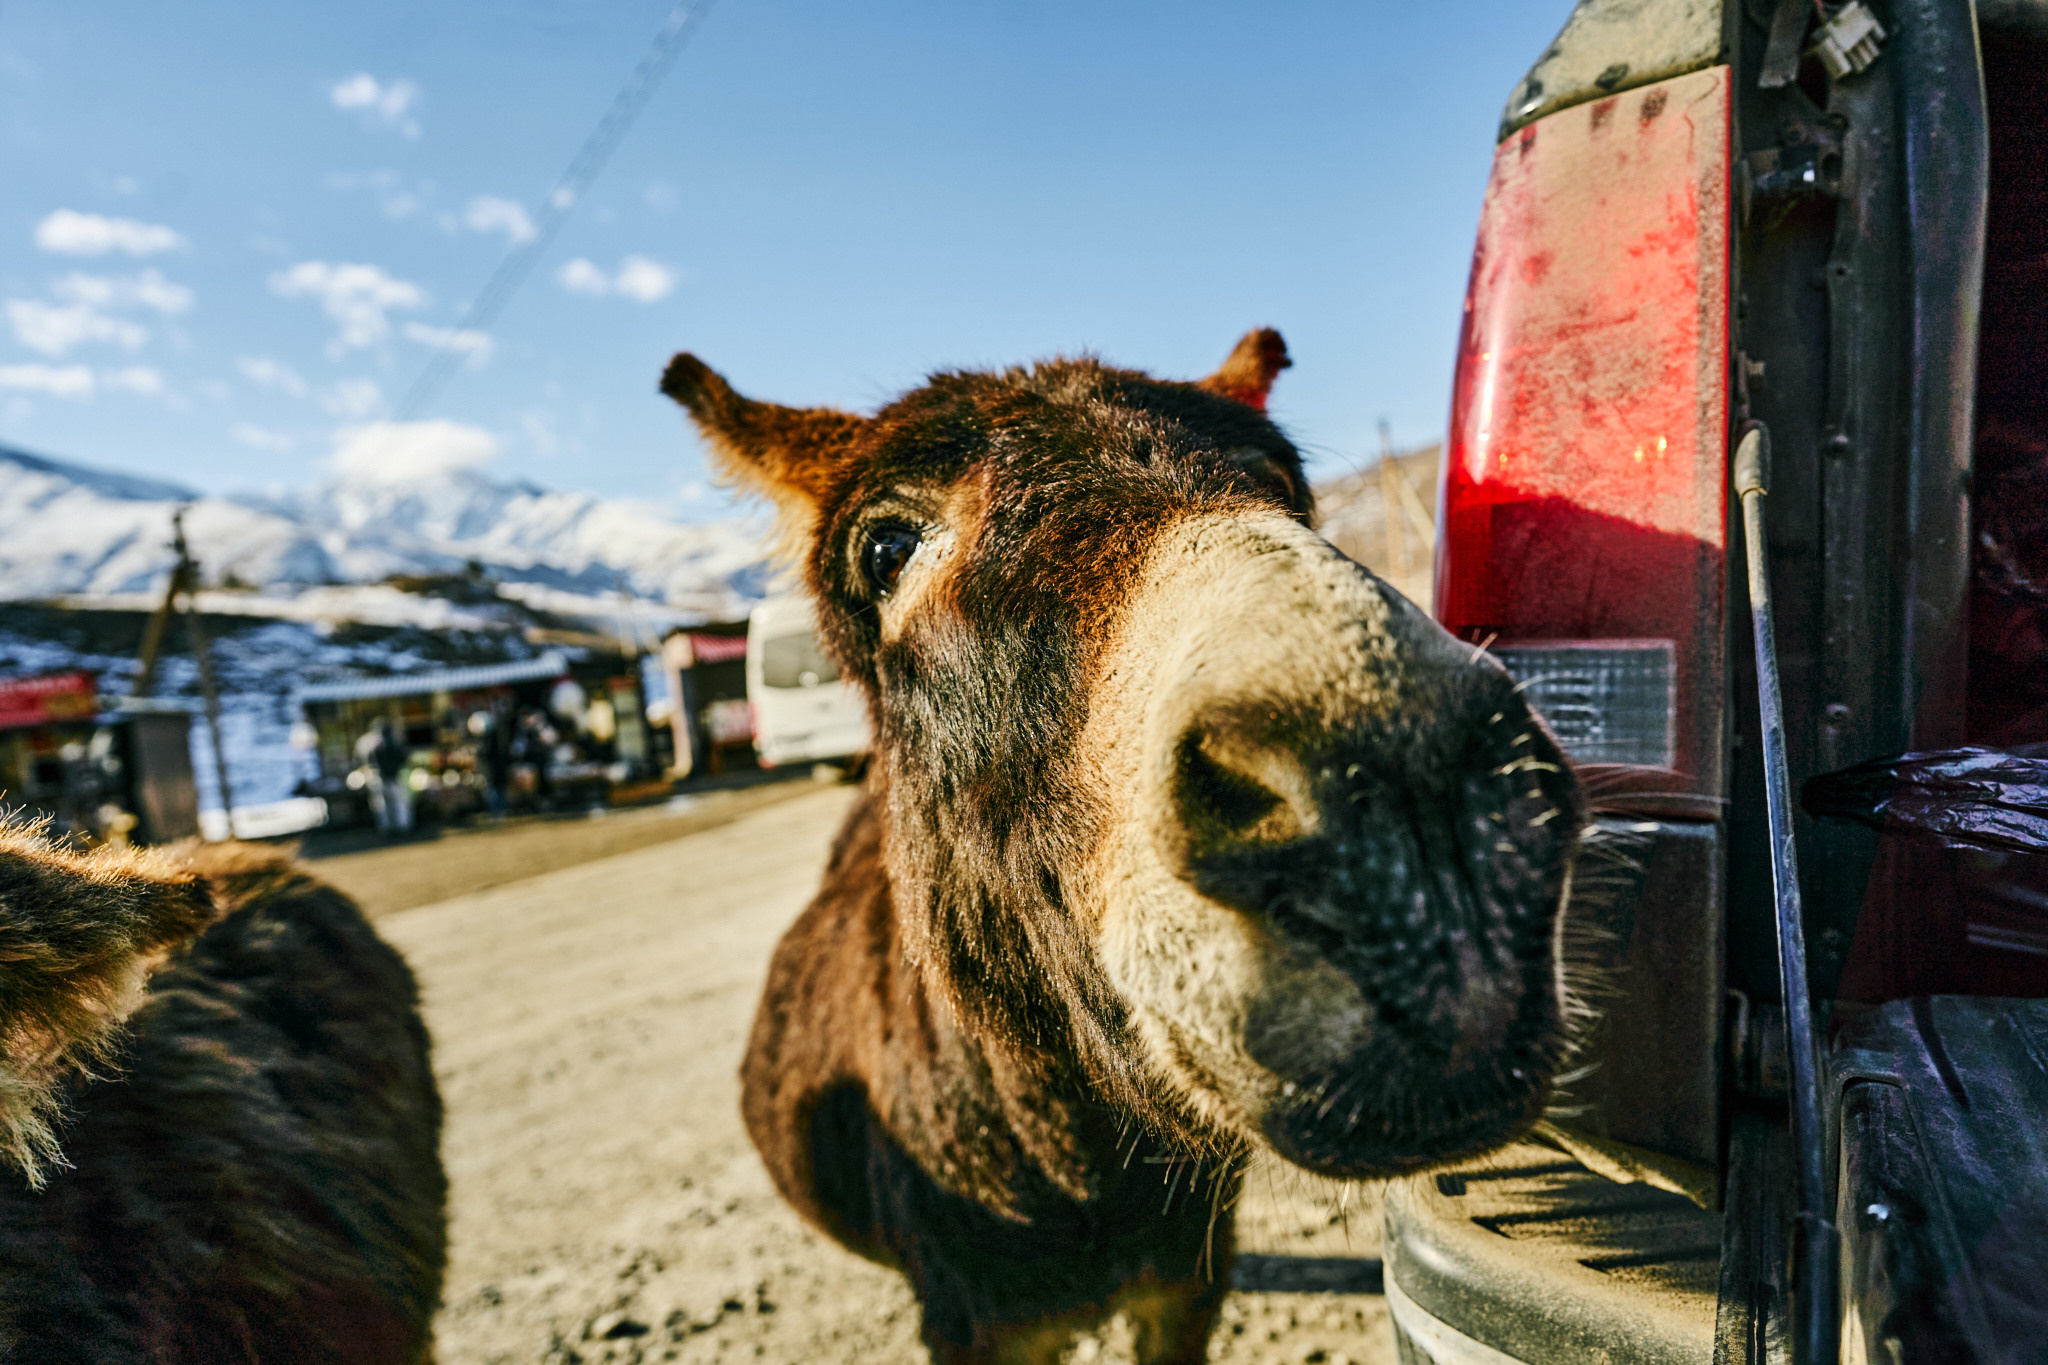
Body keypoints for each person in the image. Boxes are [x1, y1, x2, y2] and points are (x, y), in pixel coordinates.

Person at [356, 717, 413, 836]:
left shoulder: (385, 741)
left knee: (388, 804)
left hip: (387, 777)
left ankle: (396, 827)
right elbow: (403, 758)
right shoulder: (372, 742)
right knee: (386, 804)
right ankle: (395, 827)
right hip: (382, 777)